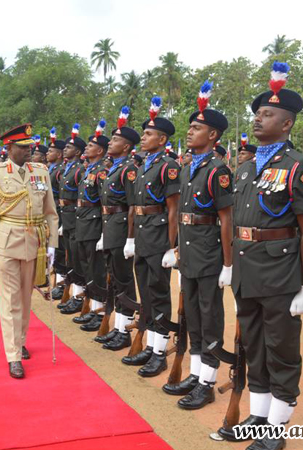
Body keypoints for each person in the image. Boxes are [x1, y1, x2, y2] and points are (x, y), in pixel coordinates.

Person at [232, 63, 303, 450]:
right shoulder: (247, 167)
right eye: (257, 113)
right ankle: (259, 417)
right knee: (253, 344)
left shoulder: (299, 166)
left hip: (280, 271)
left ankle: (277, 427)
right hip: (247, 268)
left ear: (286, 124)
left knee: (280, 348)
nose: (258, 118)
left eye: (267, 114)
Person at [163, 82, 234, 411]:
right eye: (190, 127)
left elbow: (226, 218)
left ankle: (207, 381)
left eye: (197, 128)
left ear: (213, 136)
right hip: (190, 252)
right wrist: (175, 247)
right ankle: (195, 374)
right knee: (191, 314)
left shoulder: (218, 170)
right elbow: (180, 213)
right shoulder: (190, 167)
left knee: (209, 317)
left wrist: (228, 264)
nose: (190, 132)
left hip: (208, 253)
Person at [0, 124, 59, 378]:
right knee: (9, 299)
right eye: (23, 147)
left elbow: (50, 212)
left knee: (26, 297)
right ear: (9, 148)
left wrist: (52, 245)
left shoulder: (41, 172)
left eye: (30, 147)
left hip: (33, 241)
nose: (29, 151)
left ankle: (21, 339)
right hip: (6, 241)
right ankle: (13, 354)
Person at [126, 97, 181, 378]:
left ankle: (159, 352)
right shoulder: (146, 164)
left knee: (159, 295)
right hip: (144, 235)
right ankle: (151, 343)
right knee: (145, 292)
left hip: (159, 236)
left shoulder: (168, 165)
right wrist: (131, 238)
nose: (143, 137)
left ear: (161, 139)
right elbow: (135, 207)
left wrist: (172, 247)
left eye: (148, 134)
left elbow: (173, 210)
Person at [95, 108, 141, 350]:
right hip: (110, 227)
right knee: (114, 279)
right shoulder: (113, 167)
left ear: (126, 147)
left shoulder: (129, 169)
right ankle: (119, 326)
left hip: (122, 228)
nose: (110, 142)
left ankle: (125, 330)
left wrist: (130, 239)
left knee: (124, 280)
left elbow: (132, 206)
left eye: (115, 140)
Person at [71, 123, 109, 332]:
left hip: (94, 222)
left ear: (100, 151)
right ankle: (93, 308)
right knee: (87, 268)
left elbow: (105, 203)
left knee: (97, 270)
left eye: (91, 145)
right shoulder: (90, 169)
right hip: (83, 221)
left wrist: (103, 232)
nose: (87, 148)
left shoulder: (102, 171)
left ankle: (100, 312)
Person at [57, 127, 86, 314]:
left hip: (75, 217)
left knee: (77, 258)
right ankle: (73, 291)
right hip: (65, 216)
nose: (64, 149)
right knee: (69, 257)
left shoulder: (79, 170)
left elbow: (82, 197)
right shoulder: (67, 169)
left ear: (77, 152)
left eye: (68, 147)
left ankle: (79, 295)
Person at [46, 133, 68, 299]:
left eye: (51, 151)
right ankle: (56, 281)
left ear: (59, 155)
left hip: (60, 212)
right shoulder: (50, 169)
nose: (47, 153)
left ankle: (61, 286)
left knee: (61, 250)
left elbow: (63, 196)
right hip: (51, 210)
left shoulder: (60, 171)